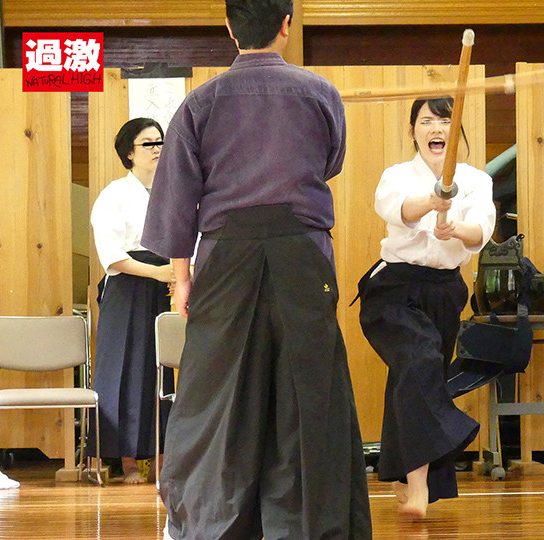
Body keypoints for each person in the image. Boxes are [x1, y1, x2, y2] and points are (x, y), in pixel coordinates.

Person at [140, 1, 371, 538]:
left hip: (225, 256)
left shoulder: (200, 103)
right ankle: (307, 526)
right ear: (287, 24)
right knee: (306, 394)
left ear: (229, 27)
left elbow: (178, 199)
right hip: (302, 253)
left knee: (218, 395)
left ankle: (213, 522)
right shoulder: (320, 94)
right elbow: (330, 161)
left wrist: (181, 280)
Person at [357, 97, 496, 518]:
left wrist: (457, 227)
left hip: (444, 290)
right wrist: (433, 201)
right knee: (418, 360)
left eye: (445, 121)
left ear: (457, 132)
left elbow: (481, 232)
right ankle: (421, 482)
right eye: (427, 121)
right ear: (413, 130)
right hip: (393, 289)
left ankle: (401, 472)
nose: (436, 129)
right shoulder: (397, 176)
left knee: (415, 378)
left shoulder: (475, 180)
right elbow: (395, 209)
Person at [87, 117, 176, 484]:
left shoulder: (175, 190)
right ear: (129, 152)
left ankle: (163, 458)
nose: (157, 149)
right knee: (125, 368)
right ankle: (125, 462)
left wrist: (177, 274)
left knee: (164, 370)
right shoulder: (114, 194)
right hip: (129, 283)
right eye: (148, 144)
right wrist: (156, 272)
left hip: (169, 281)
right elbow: (111, 254)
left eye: (160, 142)